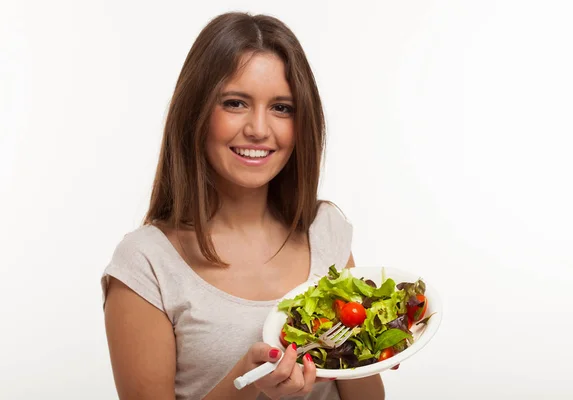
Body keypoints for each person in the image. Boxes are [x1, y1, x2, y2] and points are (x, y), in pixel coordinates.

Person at [101, 12, 388, 400]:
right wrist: (248, 386)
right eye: (235, 103)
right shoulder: (146, 264)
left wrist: (375, 350)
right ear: (196, 113)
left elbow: (366, 397)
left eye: (282, 108)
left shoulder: (325, 230)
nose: (258, 128)